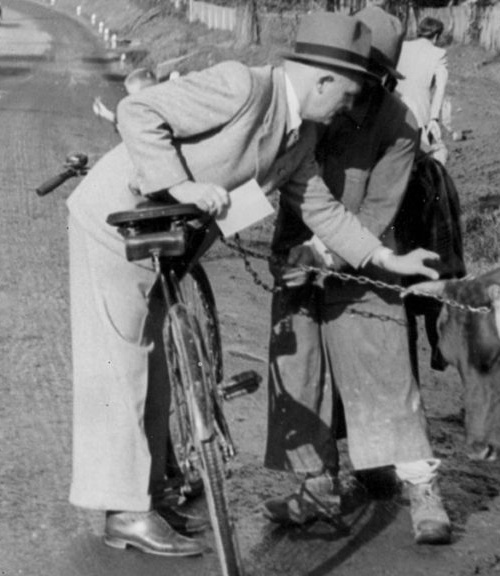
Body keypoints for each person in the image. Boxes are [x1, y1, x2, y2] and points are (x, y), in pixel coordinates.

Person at [65, 12, 440, 558]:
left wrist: (384, 256)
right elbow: (137, 109)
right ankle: (123, 511)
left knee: (153, 363)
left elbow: (322, 209)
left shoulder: (303, 134)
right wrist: (182, 185)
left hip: (168, 240)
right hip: (117, 224)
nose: (345, 111)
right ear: (322, 80)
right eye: (345, 97)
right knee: (121, 363)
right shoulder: (243, 86)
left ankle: (147, 493)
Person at [260, 5, 452, 545]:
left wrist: (330, 255)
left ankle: (422, 488)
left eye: (365, 80)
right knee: (299, 369)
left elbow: (377, 211)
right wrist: (297, 254)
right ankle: (318, 487)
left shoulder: (399, 127)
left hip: (367, 259)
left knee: (384, 369)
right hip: (296, 250)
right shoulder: (307, 103)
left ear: (381, 78)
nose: (351, 92)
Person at [395, 17, 449, 164]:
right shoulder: (438, 53)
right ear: (437, 36)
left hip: (395, 108)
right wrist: (434, 118)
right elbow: (440, 88)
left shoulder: (402, 47)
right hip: (420, 113)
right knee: (423, 158)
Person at [93, 68, 159, 127]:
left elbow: (133, 127)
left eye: (133, 96)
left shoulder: (154, 115)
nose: (130, 99)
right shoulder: (145, 108)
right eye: (129, 95)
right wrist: (105, 113)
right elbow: (129, 123)